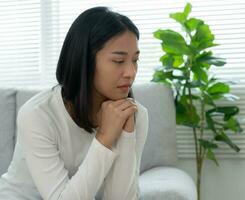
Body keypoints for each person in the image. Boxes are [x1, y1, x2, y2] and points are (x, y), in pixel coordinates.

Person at [0, 6, 148, 200]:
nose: (131, 72)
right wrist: (104, 138)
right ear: (84, 61)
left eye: (135, 60)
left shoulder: (136, 115)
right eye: (119, 61)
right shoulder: (38, 115)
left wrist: (127, 135)